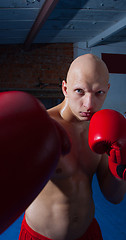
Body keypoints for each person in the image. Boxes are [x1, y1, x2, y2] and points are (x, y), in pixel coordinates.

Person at [19, 53, 126, 240]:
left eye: (99, 93)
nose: (89, 104)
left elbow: (114, 197)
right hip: (41, 236)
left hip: (88, 233)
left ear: (107, 89)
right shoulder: (41, 127)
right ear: (65, 88)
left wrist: (120, 164)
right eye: (79, 91)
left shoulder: (103, 128)